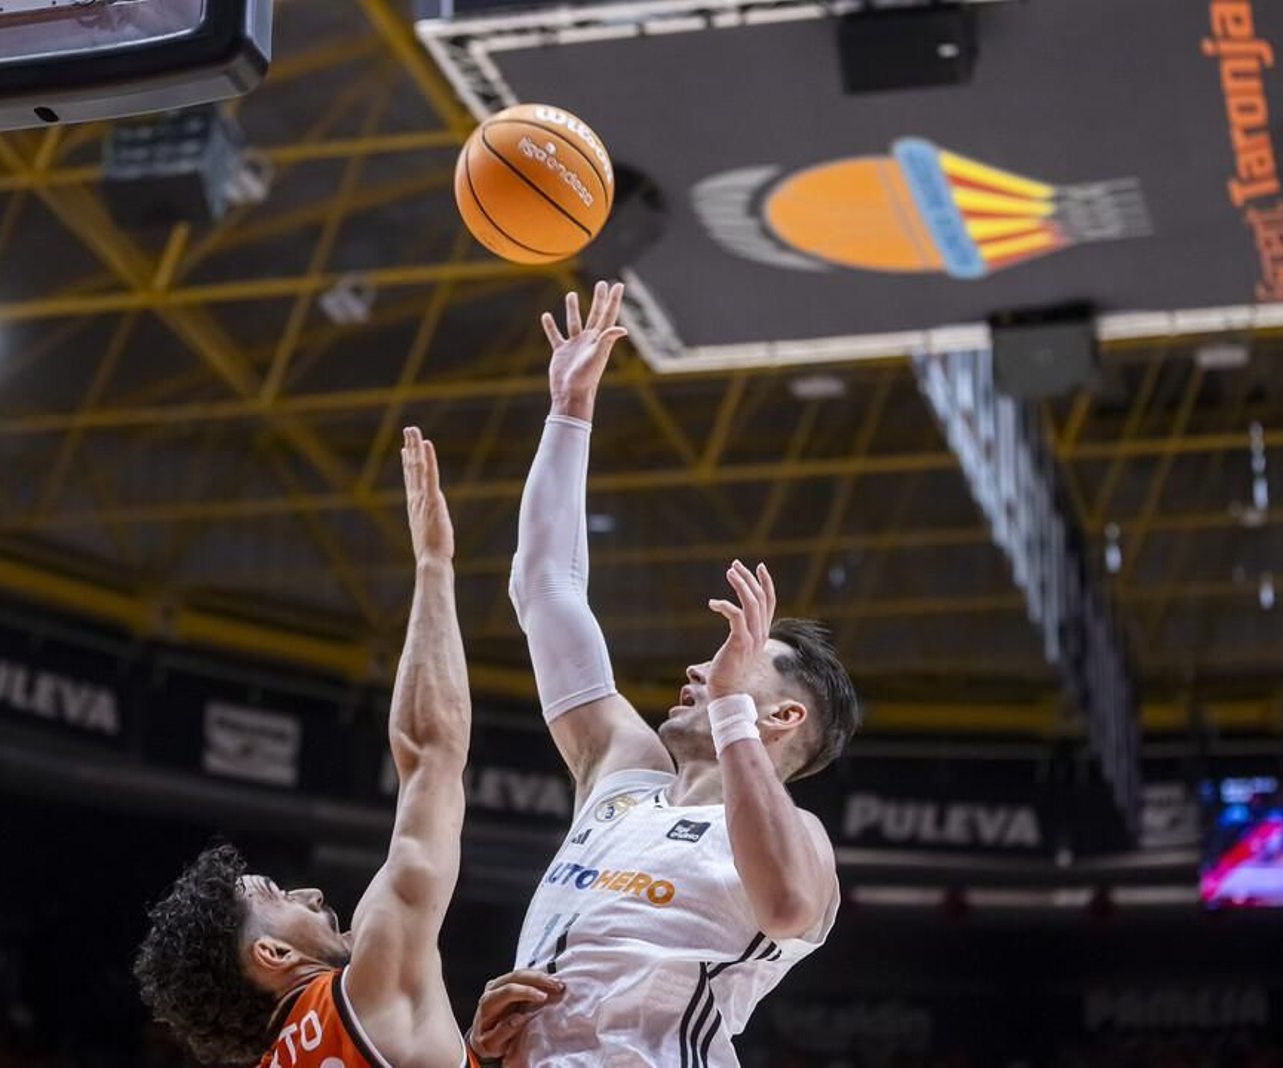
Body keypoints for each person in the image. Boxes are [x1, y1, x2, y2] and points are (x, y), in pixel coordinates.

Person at [475, 281, 862, 1067]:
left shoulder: (802, 842)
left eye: (732, 660)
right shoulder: (623, 774)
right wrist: (569, 410)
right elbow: (544, 587)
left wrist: (729, 713)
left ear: (783, 718)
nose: (700, 667)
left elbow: (786, 904)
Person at [133, 429, 487, 1068]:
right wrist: (434, 562)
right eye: (277, 896)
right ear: (272, 956)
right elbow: (430, 754)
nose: (312, 895)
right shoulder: (369, 982)